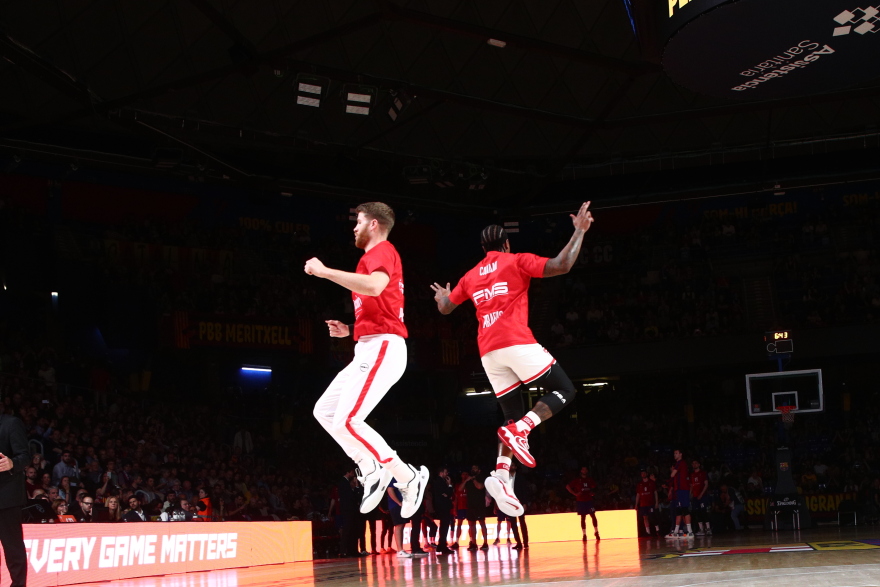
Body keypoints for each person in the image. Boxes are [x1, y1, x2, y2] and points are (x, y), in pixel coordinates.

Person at [431, 202, 595, 516]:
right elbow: (562, 264)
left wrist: (441, 297)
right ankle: (524, 428)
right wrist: (579, 233)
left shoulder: (470, 276)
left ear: (483, 249)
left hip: (487, 352)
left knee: (511, 415)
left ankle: (501, 476)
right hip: (515, 341)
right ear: (506, 244)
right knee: (564, 389)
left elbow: (446, 308)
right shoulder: (517, 260)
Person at [307, 202, 427, 519]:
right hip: (369, 345)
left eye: (358, 222)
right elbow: (381, 305)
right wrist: (351, 329)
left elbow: (375, 287)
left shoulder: (381, 251)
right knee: (325, 411)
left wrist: (325, 272)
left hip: (384, 347)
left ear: (374, 224)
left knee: (348, 420)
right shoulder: (370, 258)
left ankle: (407, 477)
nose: (354, 227)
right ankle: (369, 465)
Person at [0, 413, 31, 587]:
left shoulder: (10, 423)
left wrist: (12, 463)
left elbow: (25, 456)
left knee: (13, 548)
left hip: (6, 497)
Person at [566, 466, 600, 541]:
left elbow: (595, 487)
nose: (584, 471)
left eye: (585, 469)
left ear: (587, 471)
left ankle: (596, 531)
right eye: (583, 469)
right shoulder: (577, 480)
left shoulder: (589, 479)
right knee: (583, 517)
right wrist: (575, 494)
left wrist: (593, 493)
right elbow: (568, 486)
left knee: (593, 515)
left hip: (589, 500)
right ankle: (584, 534)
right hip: (581, 501)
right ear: (581, 471)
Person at [666, 449, 693, 538]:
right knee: (679, 510)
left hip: (683, 489)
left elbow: (672, 475)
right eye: (674, 453)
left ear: (681, 454)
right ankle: (676, 532)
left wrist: (673, 470)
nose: (675, 455)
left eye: (676, 453)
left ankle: (690, 532)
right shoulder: (680, 463)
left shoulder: (680, 463)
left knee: (685, 509)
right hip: (679, 490)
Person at [464, 465, 488, 551]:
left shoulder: (482, 478)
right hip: (470, 505)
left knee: (482, 523)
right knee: (471, 524)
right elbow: (460, 489)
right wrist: (466, 480)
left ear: (479, 470)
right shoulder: (468, 480)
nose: (473, 469)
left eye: (475, 468)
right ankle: (474, 543)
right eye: (472, 468)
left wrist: (474, 479)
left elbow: (480, 487)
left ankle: (485, 543)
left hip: (479, 505)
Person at [433, 467, 454, 555]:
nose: (447, 474)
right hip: (443, 507)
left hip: (441, 506)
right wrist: (450, 485)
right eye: (446, 472)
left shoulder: (438, 481)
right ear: (441, 473)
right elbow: (447, 494)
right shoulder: (440, 482)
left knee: (443, 526)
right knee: (444, 526)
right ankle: (442, 546)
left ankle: (441, 545)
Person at [635, 469, 659, 537]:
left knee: (652, 517)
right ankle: (647, 532)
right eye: (642, 473)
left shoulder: (651, 482)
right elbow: (638, 494)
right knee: (645, 517)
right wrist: (636, 504)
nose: (643, 474)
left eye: (644, 473)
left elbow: (655, 493)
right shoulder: (639, 484)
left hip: (650, 503)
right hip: (643, 504)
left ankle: (657, 529)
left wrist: (656, 502)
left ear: (646, 474)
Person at [691, 459, 711, 536]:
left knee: (704, 512)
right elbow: (692, 485)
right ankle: (701, 529)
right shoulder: (692, 474)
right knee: (697, 512)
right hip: (695, 497)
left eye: (696, 463)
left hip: (702, 496)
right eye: (693, 463)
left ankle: (708, 529)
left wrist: (701, 494)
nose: (694, 465)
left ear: (699, 464)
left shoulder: (703, 473)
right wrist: (691, 494)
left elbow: (706, 484)